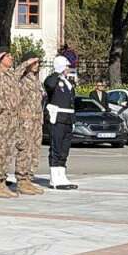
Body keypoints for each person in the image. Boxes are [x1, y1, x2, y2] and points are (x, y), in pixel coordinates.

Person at [11, 57, 46, 195]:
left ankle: (28, 179)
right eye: (34, 63)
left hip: (36, 121)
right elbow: (14, 75)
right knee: (24, 150)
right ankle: (21, 180)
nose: (37, 65)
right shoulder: (20, 78)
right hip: (25, 121)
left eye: (38, 63)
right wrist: (25, 63)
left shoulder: (35, 80)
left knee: (34, 150)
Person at [44, 56, 79, 190]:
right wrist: (57, 72)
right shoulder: (53, 80)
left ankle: (62, 175)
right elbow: (49, 85)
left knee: (64, 149)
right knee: (56, 148)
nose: (68, 69)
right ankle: (54, 178)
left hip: (68, 119)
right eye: (66, 66)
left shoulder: (67, 82)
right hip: (57, 119)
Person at [0, 47, 19, 199]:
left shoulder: (11, 74)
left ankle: (2, 181)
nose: (11, 58)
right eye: (8, 56)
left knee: (8, 152)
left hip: (12, 118)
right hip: (0, 118)